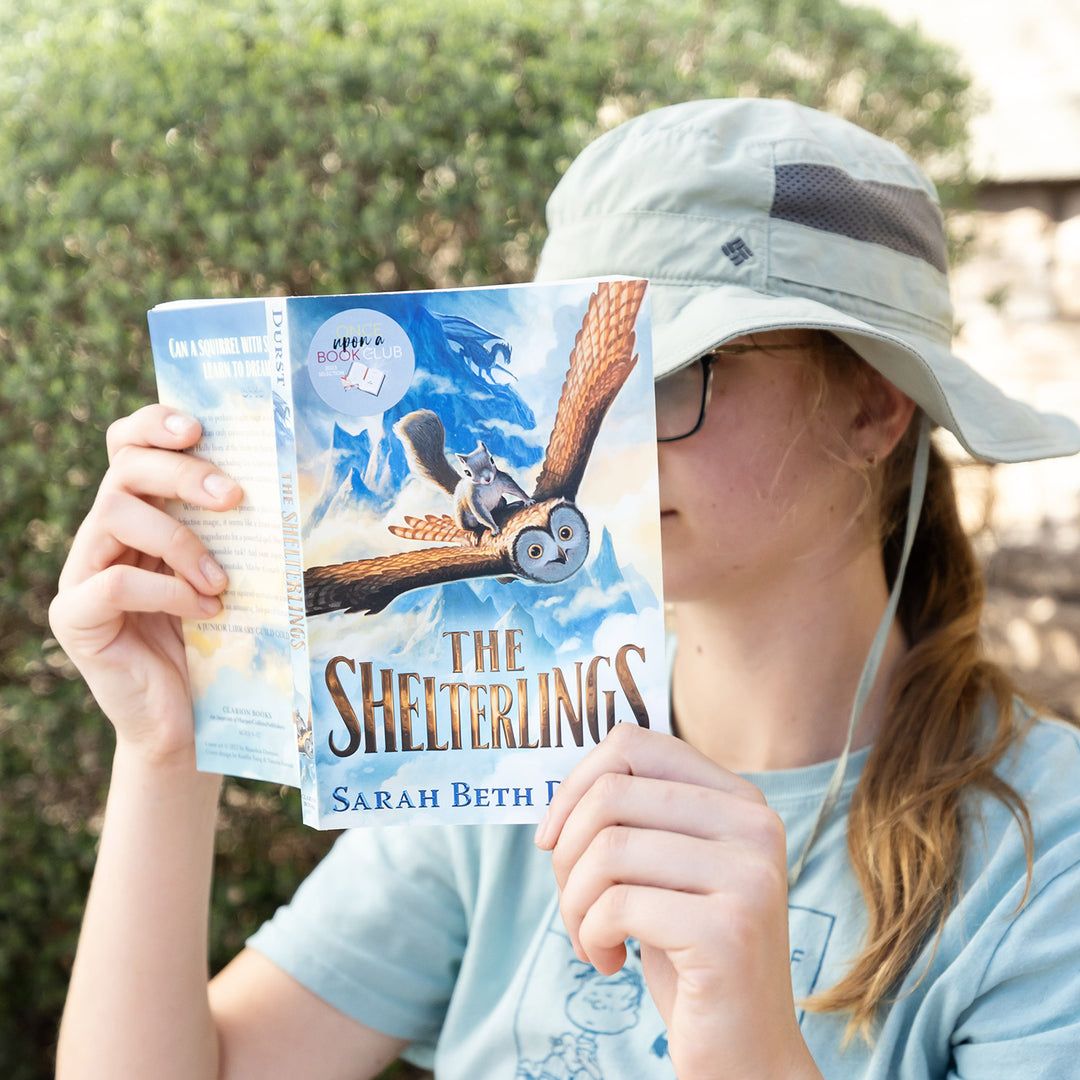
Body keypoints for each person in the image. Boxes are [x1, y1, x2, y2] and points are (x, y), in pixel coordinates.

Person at [50, 99, 1080, 1080]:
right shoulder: (512, 740)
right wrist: (174, 741)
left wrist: (750, 1049)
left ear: (873, 410)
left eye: (675, 374)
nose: (606, 443)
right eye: (586, 387)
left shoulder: (1049, 853)